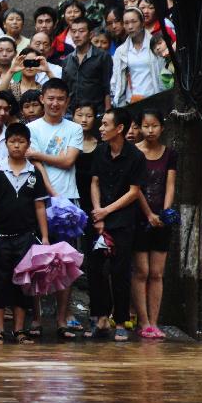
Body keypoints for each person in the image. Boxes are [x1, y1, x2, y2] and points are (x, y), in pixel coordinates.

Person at [25, 78, 85, 339]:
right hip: (39, 199)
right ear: (42, 98)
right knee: (37, 260)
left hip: (69, 200)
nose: (55, 103)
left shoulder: (74, 128)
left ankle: (62, 317)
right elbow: (34, 164)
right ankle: (36, 317)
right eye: (50, 97)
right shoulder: (32, 128)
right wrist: (51, 190)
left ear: (67, 101)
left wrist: (40, 156)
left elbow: (69, 160)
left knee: (66, 262)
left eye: (60, 98)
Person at [0, 123, 50, 344]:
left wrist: (45, 237)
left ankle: (19, 330)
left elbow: (40, 206)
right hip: (1, 237)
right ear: (6, 144)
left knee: (23, 283)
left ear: (28, 145)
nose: (16, 145)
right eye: (12, 141)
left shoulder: (34, 173)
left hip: (26, 236)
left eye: (21, 141)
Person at [89, 108, 146, 342]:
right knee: (94, 268)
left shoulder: (135, 156)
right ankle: (100, 317)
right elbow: (94, 182)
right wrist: (98, 214)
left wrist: (107, 211)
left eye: (105, 124)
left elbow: (134, 192)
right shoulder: (100, 151)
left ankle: (120, 320)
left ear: (119, 128)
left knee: (120, 271)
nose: (100, 128)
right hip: (98, 219)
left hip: (123, 220)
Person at [132, 110, 176, 339]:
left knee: (157, 273)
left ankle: (154, 323)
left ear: (162, 127)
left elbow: (170, 185)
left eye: (154, 126)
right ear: (139, 127)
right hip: (139, 219)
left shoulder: (169, 154)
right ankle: (143, 321)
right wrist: (149, 214)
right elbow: (135, 188)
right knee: (142, 271)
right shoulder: (135, 153)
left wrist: (165, 212)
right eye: (146, 126)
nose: (150, 130)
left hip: (162, 220)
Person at [111, 7, 168, 106]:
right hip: (132, 101)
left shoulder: (156, 45)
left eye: (134, 22)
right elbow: (116, 81)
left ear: (142, 23)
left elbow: (164, 74)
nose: (130, 26)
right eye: (126, 23)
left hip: (154, 98)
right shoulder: (121, 51)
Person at [62, 17, 113, 114]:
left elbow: (107, 87)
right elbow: (65, 90)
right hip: (71, 113)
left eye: (81, 31)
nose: (77, 35)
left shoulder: (103, 57)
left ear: (91, 34)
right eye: (73, 31)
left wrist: (107, 112)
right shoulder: (67, 60)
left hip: (96, 112)